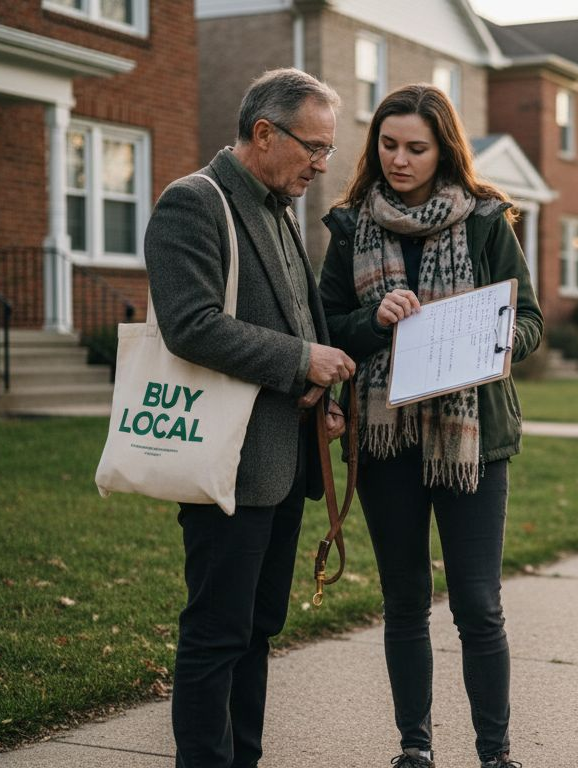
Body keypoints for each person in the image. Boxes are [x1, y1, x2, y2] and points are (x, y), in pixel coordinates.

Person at [320, 83, 543, 768]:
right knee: (405, 602)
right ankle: (414, 748)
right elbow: (326, 327)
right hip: (385, 442)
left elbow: (530, 323)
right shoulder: (350, 226)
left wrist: (487, 342)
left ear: (443, 148)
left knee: (477, 606)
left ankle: (494, 754)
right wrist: (371, 319)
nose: (400, 159)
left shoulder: (484, 221)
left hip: (471, 442)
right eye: (388, 145)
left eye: (416, 147)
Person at [143, 67, 355, 768]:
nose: (322, 166)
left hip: (281, 463)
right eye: (314, 148)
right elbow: (191, 325)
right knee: (217, 633)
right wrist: (302, 363)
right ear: (264, 133)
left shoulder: (278, 206)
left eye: (329, 151)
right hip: (225, 463)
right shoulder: (193, 202)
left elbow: (297, 316)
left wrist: (319, 397)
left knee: (258, 628)